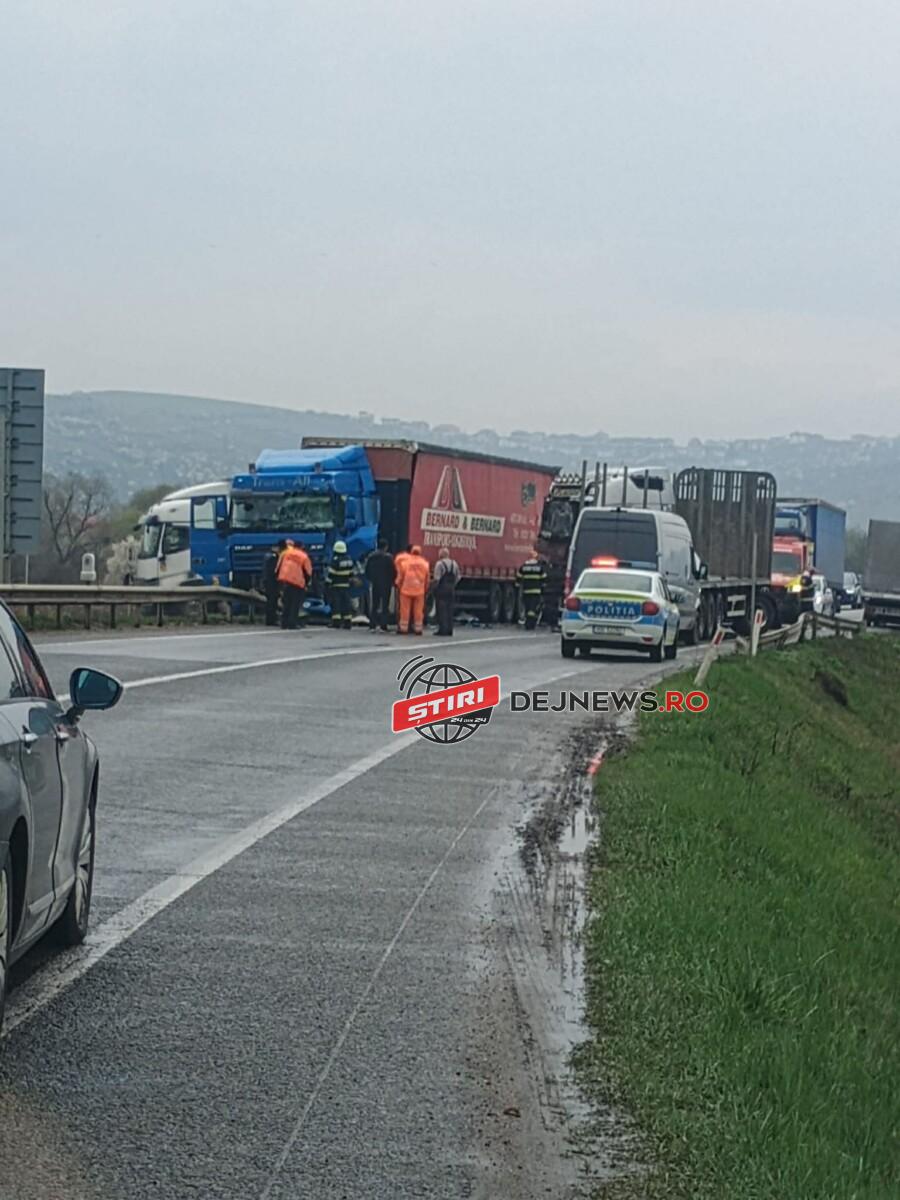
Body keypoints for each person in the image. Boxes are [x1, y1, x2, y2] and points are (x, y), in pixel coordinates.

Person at [276, 539, 313, 629]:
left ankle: (284, 623)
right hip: (297, 582)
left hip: (285, 580)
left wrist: (279, 578)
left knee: (286, 603)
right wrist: (306, 583)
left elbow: (278, 566)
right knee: (295, 604)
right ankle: (292, 623)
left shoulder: (286, 553)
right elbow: (308, 572)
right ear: (301, 547)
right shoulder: (304, 556)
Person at [396, 544, 429, 635]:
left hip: (406, 590)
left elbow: (401, 576)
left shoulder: (405, 563)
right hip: (419, 591)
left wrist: (398, 585)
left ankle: (404, 629)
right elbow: (427, 579)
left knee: (405, 610)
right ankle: (418, 629)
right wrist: (425, 588)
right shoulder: (425, 564)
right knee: (418, 611)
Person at [365, 539, 395, 632]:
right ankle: (383, 625)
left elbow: (367, 570)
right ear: (386, 547)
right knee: (385, 605)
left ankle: (372, 625)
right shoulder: (388, 557)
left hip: (375, 583)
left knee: (375, 605)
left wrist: (371, 579)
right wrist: (392, 581)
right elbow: (393, 571)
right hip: (386, 584)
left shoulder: (371, 557)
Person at [517, 547, 548, 630]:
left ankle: (528, 623)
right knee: (533, 609)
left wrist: (518, 587)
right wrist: (543, 589)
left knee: (527, 608)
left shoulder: (523, 567)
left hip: (526, 591)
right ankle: (531, 624)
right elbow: (544, 580)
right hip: (536, 592)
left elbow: (518, 579)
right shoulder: (539, 567)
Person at [326, 540, 355, 629]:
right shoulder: (349, 560)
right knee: (346, 604)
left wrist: (327, 584)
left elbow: (331, 574)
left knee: (336, 604)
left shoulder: (335, 560)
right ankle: (348, 622)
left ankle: (336, 622)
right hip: (346, 586)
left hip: (336, 586)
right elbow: (351, 574)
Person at [432, 546, 460, 636]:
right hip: (451, 589)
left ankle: (443, 629)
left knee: (441, 610)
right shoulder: (454, 564)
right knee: (450, 609)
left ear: (441, 554)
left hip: (442, 589)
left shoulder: (439, 564)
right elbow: (458, 577)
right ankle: (449, 629)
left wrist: (434, 588)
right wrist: (453, 585)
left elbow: (437, 578)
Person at [262, 540, 286, 626]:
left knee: (271, 601)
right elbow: (273, 571)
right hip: (272, 582)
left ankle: (271, 619)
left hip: (269, 582)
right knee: (272, 601)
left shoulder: (269, 556)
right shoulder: (273, 557)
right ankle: (271, 620)